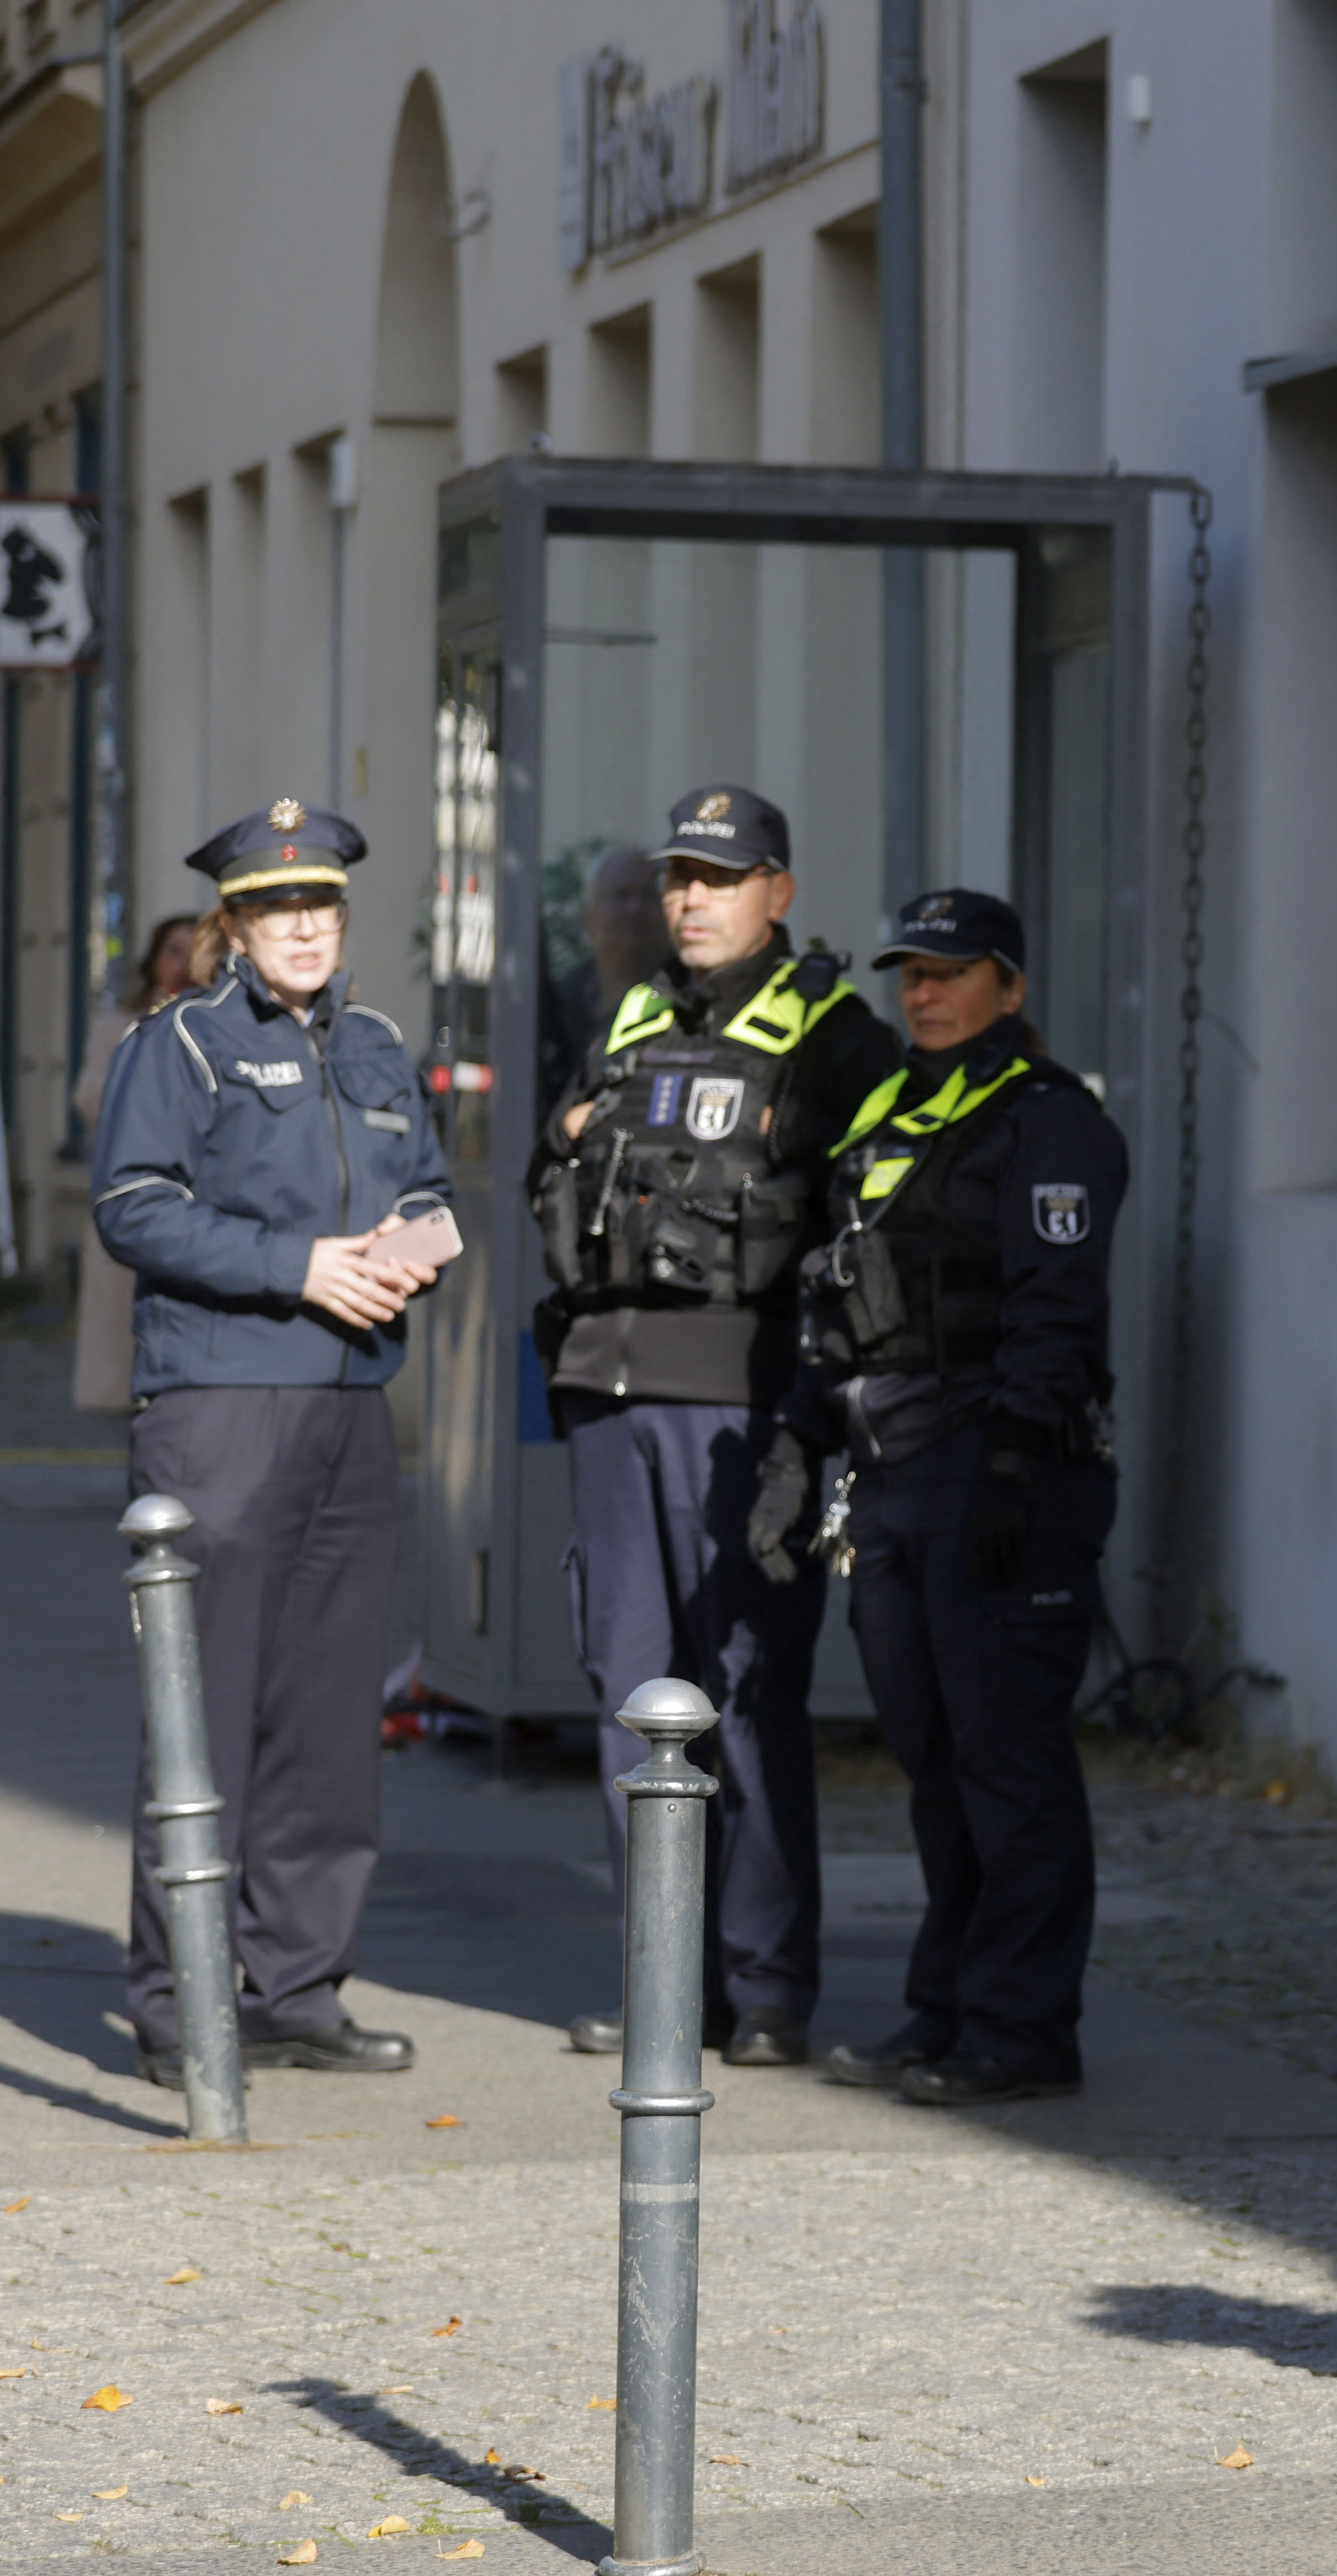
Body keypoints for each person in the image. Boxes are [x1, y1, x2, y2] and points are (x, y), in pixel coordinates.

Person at [529, 785, 902, 2070]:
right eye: (680, 873)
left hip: (740, 1409)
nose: (691, 896)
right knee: (627, 1695)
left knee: (744, 1696)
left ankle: (766, 1988)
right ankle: (661, 1986)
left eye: (721, 875)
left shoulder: (835, 1034)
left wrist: (817, 1421)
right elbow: (559, 1166)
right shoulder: (629, 1015)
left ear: (777, 893)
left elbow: (868, 1236)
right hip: (606, 1396)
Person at [87, 802, 454, 2085]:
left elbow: (432, 1191)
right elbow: (131, 1207)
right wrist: (297, 1266)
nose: (303, 925)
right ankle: (181, 2001)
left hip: (353, 1411)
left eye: (322, 905)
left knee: (328, 1719)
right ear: (231, 927)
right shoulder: (178, 1045)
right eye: (275, 907)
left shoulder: (377, 1043)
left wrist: (410, 1249)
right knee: (208, 1714)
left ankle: (297, 1985)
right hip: (222, 1409)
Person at [777, 888, 1128, 2107]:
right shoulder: (890, 1110)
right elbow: (842, 1294)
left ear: (1011, 987)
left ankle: (1024, 2029)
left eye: (951, 971)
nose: (923, 991)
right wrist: (799, 1438)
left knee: (1008, 1760)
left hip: (1002, 1475)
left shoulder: (1049, 1122)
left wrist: (1022, 1467)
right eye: (910, 973)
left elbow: (1054, 1309)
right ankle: (948, 2008)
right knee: (934, 1762)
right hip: (895, 1474)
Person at [71, 912, 210, 1415]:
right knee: (126, 1342)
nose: (182, 964)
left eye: (196, 953)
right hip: (132, 1195)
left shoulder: (221, 1024)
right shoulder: (119, 1026)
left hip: (201, 1202)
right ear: (152, 959)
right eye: (172, 950)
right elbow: (90, 1098)